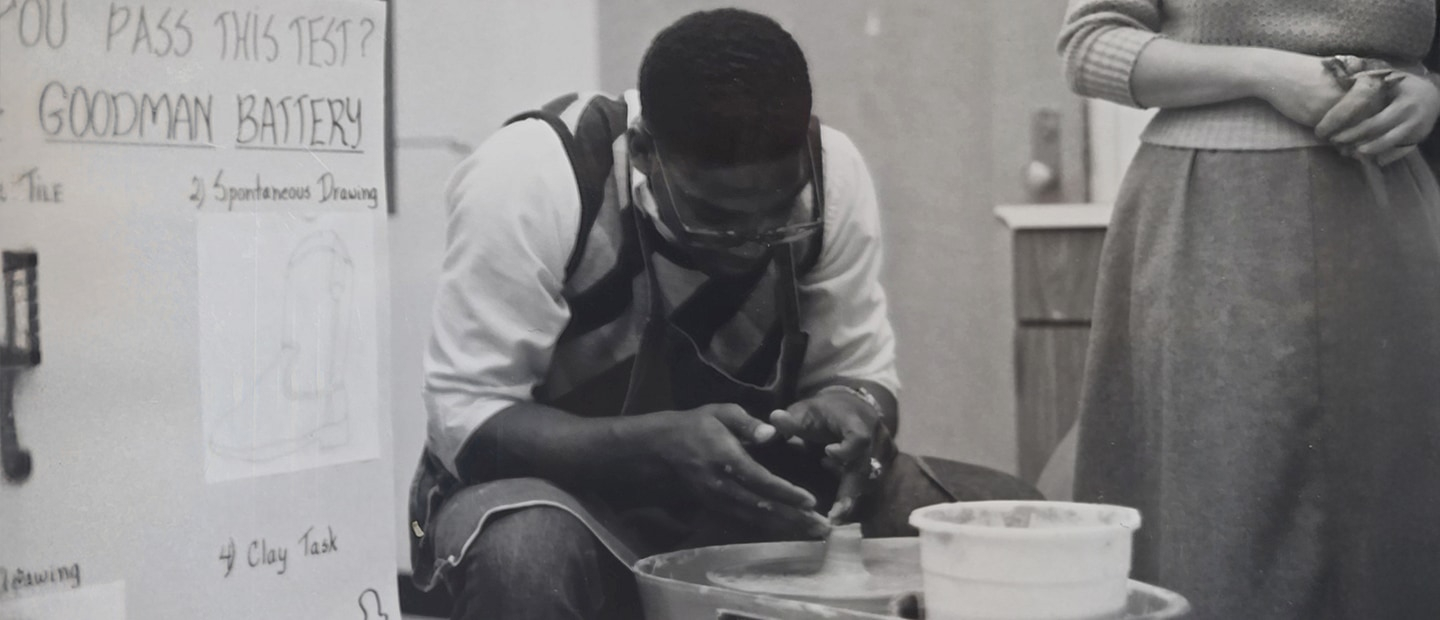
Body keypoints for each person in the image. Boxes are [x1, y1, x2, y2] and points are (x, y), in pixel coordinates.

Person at [409, 9, 1037, 620]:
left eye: (781, 211)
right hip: (562, 498)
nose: (752, 242)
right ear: (644, 151)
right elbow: (468, 422)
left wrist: (852, 407)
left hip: (745, 497)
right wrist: (652, 446)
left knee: (1006, 518)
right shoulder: (536, 176)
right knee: (524, 554)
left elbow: (862, 375)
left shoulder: (833, 174)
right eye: (716, 216)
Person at [1059, 1, 1440, 618]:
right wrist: (1266, 73)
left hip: (1385, 215)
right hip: (1215, 216)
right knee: (1221, 518)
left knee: (1391, 519)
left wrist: (1430, 91)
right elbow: (1091, 46)